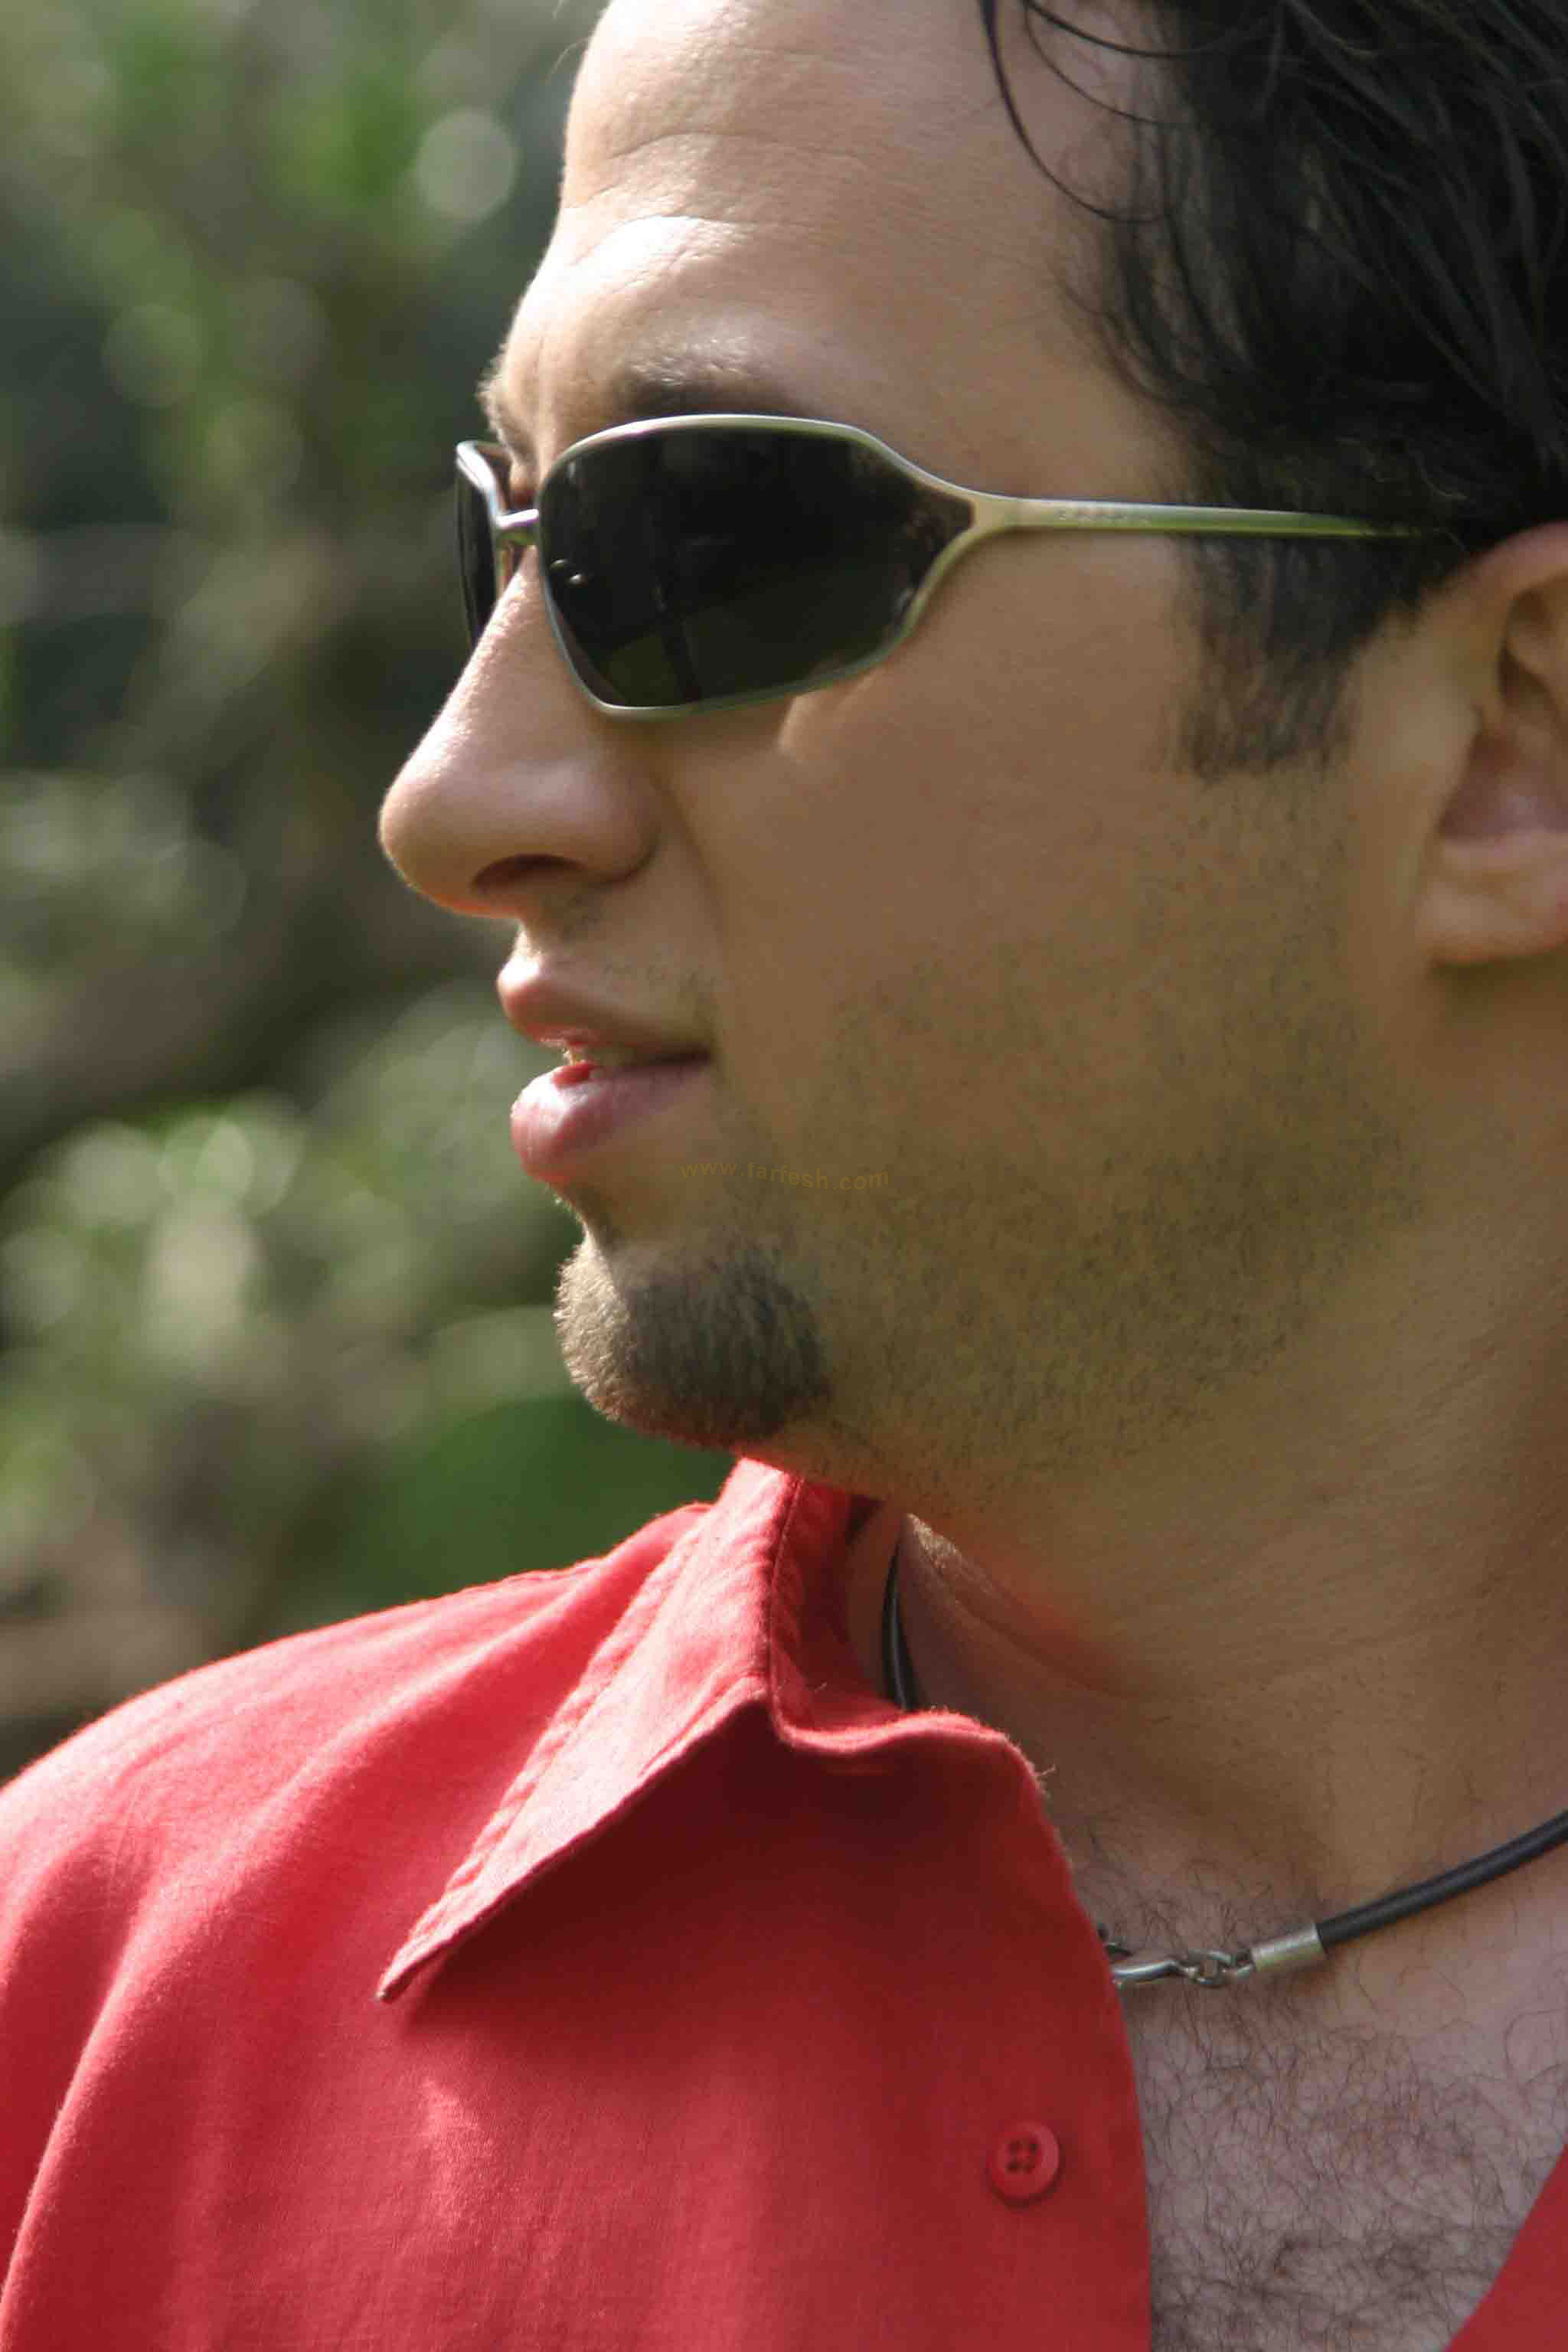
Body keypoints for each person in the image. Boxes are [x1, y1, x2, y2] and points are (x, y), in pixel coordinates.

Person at [5, 0, 1568, 2344]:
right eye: (499, 538)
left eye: (706, 539)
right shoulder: (95, 2018)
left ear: (1513, 743)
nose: (453, 800)